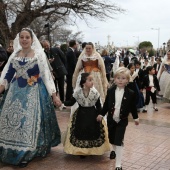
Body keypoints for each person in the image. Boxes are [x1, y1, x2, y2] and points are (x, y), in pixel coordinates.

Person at [0, 28, 61, 167]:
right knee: (10, 120)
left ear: (32, 40)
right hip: (15, 92)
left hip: (35, 91)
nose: (24, 40)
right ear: (19, 39)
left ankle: (26, 152)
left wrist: (54, 95)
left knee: (29, 122)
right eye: (22, 37)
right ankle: (10, 149)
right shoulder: (14, 55)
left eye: (27, 37)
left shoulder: (39, 55)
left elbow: (46, 75)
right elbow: (8, 76)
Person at [97, 67, 139, 170]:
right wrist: (101, 114)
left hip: (122, 120)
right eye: (118, 78)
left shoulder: (131, 93)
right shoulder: (111, 90)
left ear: (127, 80)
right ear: (114, 79)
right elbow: (106, 104)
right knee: (112, 140)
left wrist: (136, 117)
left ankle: (118, 164)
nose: (120, 80)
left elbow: (133, 107)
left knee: (119, 141)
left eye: (123, 78)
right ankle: (114, 151)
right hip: (111, 119)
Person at [63, 73, 110, 157]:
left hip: (92, 115)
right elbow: (71, 102)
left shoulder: (95, 93)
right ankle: (82, 151)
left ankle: (92, 150)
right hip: (81, 115)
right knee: (81, 132)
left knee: (92, 132)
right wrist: (62, 103)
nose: (92, 82)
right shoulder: (77, 93)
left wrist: (101, 114)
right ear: (83, 82)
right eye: (90, 80)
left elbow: (99, 106)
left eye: (92, 80)